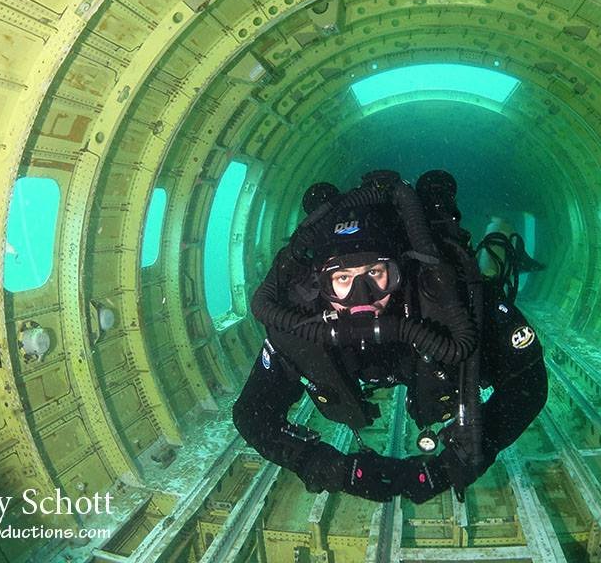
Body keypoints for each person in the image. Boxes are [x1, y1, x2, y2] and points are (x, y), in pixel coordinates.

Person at [232, 170, 548, 503]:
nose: (362, 295)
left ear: (398, 272)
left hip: (430, 315)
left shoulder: (446, 307)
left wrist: (453, 465)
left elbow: (528, 384)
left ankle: (497, 236)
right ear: (320, 284)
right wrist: (328, 467)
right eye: (342, 279)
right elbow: (252, 414)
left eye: (375, 274)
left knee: (483, 275)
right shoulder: (300, 324)